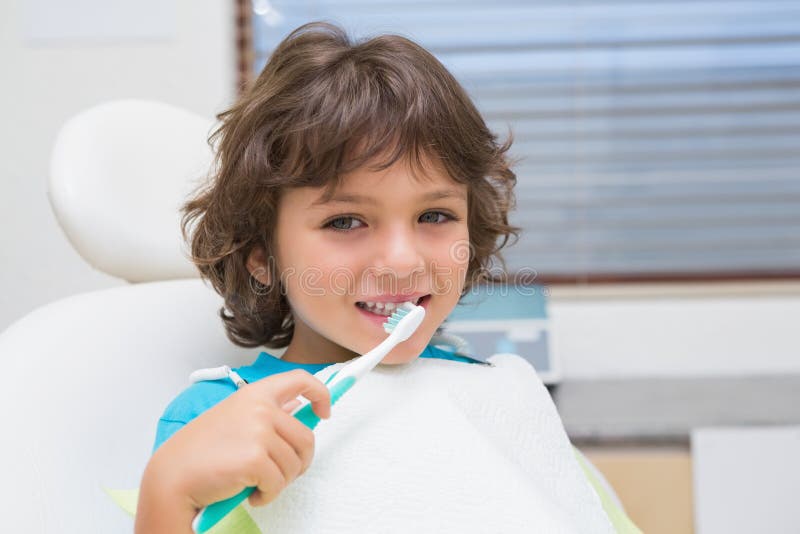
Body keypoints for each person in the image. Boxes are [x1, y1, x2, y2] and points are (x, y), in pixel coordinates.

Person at [134, 20, 555, 533]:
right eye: (345, 222)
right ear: (261, 252)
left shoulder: (491, 393)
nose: (403, 262)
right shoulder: (215, 421)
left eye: (434, 216)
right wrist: (168, 492)